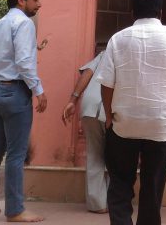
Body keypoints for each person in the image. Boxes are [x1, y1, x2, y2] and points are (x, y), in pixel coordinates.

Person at [95, 0, 166, 225]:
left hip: (124, 123)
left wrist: (109, 116)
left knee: (120, 182)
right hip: (160, 124)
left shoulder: (118, 39)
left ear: (133, 12)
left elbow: (106, 83)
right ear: (160, 12)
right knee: (152, 185)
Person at [0, 0, 47, 223]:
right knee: (16, 154)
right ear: (21, 0)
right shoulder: (24, 24)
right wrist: (38, 90)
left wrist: (1, 69)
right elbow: (25, 61)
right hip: (15, 92)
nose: (39, 4)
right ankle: (15, 210)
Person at [61, 51, 110, 214]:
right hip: (111, 108)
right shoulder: (128, 53)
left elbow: (87, 74)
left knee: (95, 154)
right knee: (117, 156)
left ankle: (98, 204)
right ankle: (113, 200)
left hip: (89, 107)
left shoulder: (103, 54)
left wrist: (72, 101)